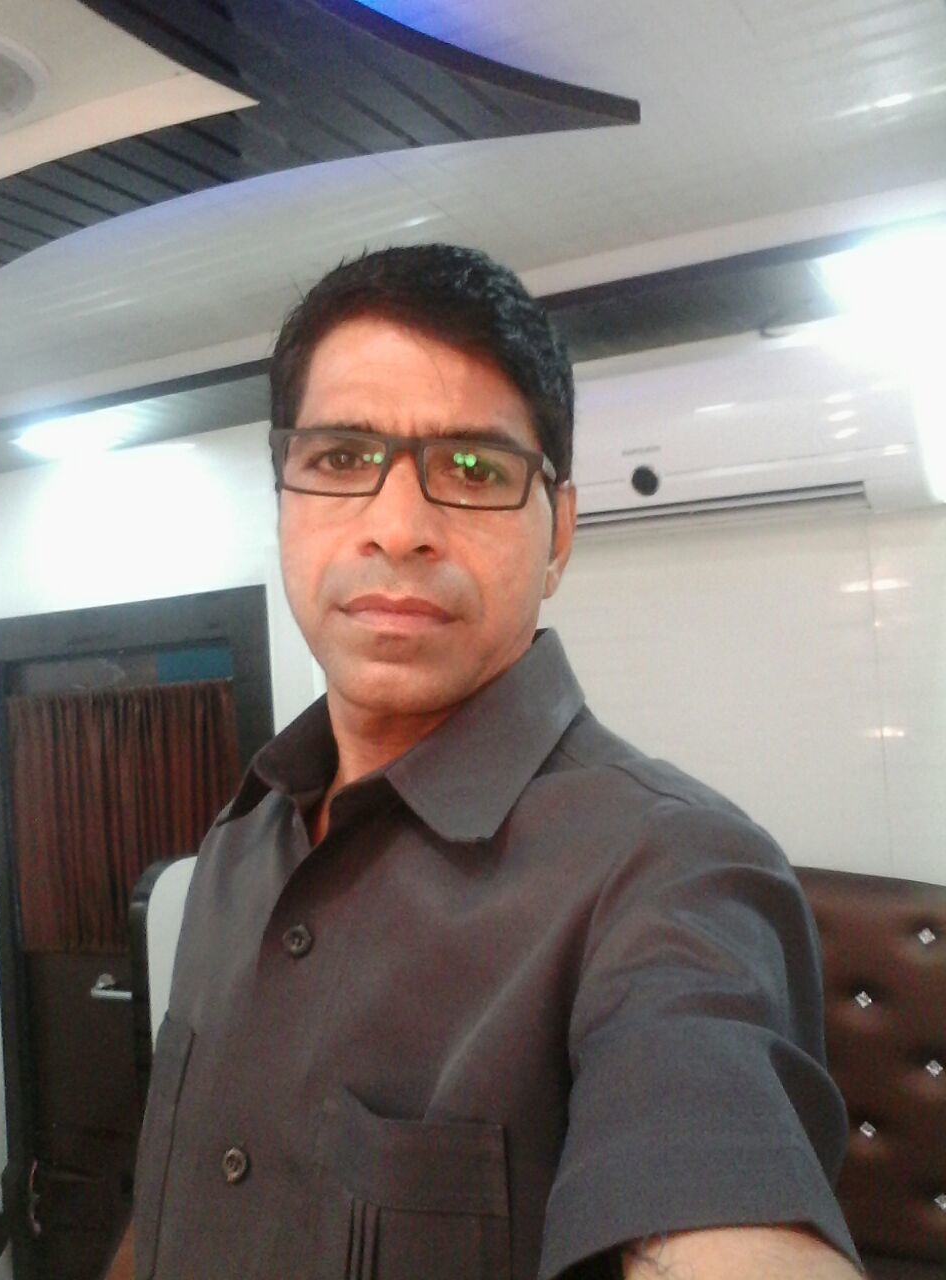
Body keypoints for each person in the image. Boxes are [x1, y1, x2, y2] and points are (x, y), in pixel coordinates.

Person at [121, 244, 863, 1279]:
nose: (398, 529)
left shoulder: (672, 870)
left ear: (558, 535)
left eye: (474, 469)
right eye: (341, 459)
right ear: (283, 502)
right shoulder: (240, 840)